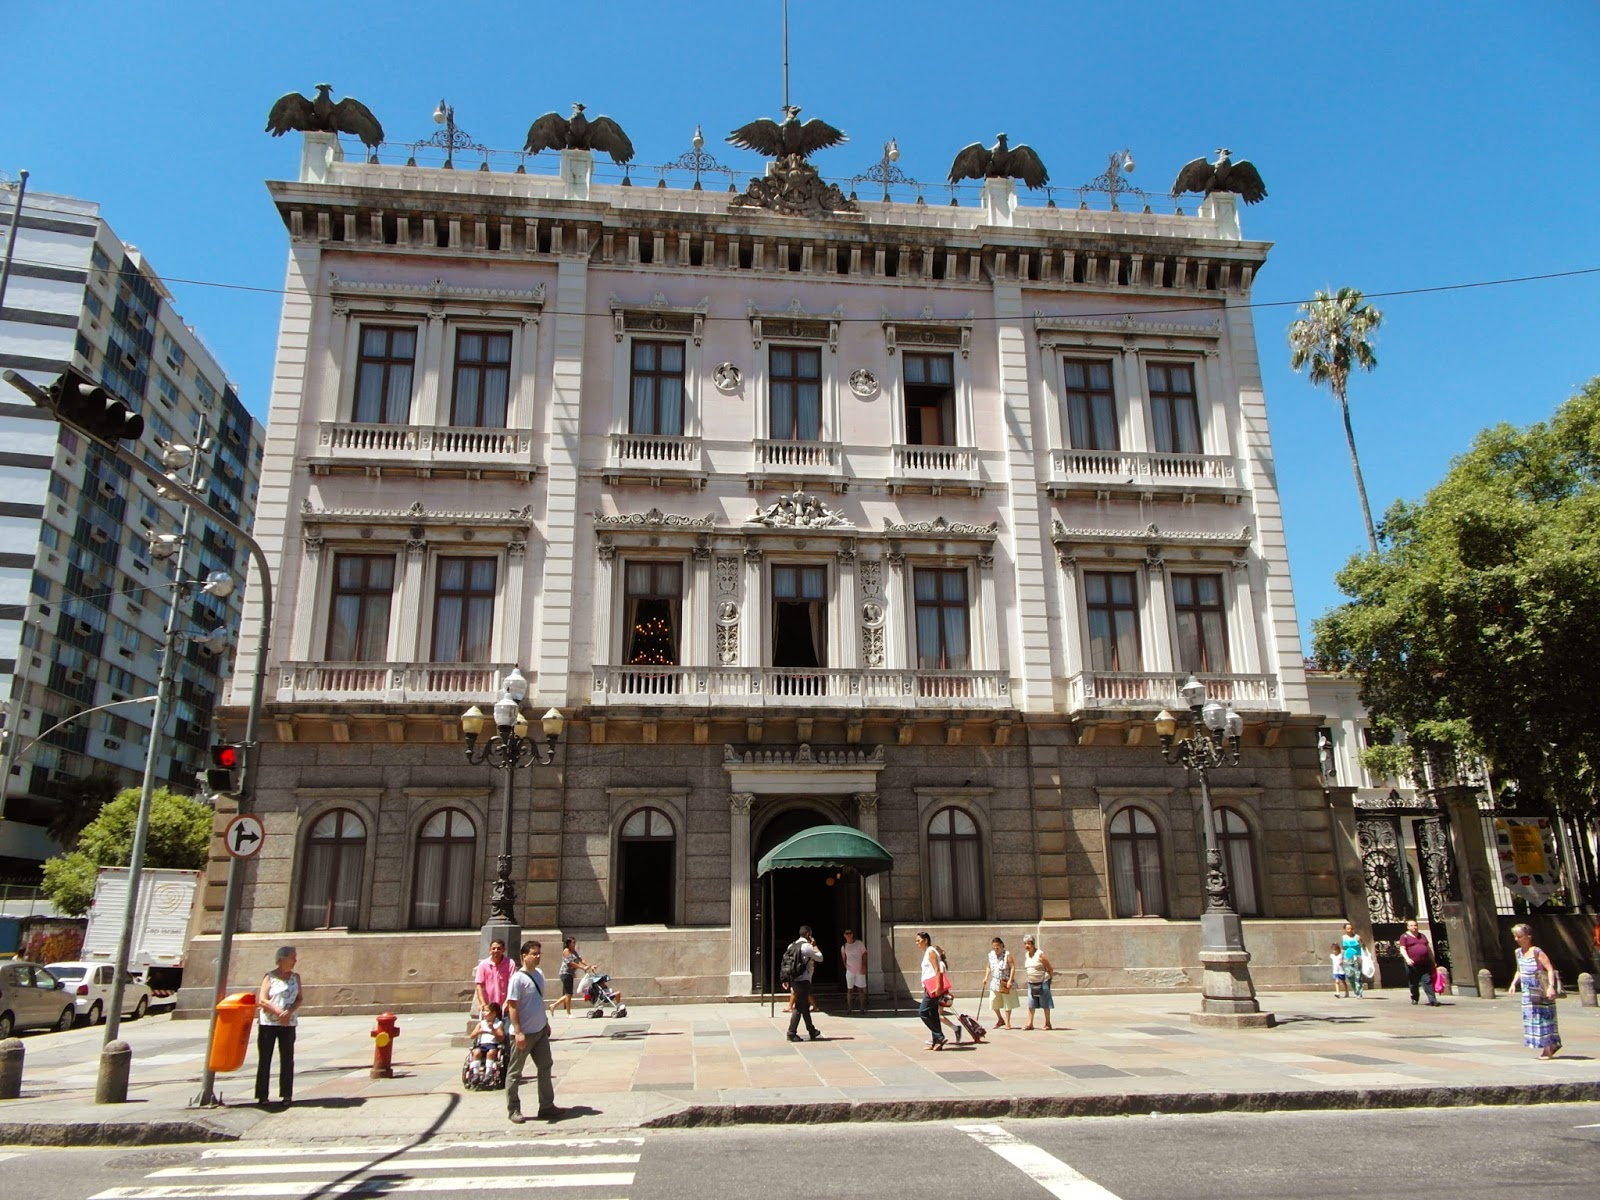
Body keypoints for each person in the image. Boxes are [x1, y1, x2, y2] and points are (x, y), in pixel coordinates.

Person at [505, 940, 561, 1122]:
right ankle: (514, 1109)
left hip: (539, 1031)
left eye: (539, 954)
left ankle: (546, 1106)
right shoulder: (517, 979)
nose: (537, 957)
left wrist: (545, 1022)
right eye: (534, 954)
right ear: (524, 956)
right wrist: (518, 1032)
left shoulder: (539, 974)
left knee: (545, 1066)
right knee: (515, 1073)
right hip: (523, 1033)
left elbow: (539, 1000)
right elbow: (512, 1007)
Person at [254, 945, 301, 1107]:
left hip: (288, 1022)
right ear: (282, 959)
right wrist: (278, 1011)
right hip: (269, 1022)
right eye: (292, 957)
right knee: (265, 1058)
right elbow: (262, 999)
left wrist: (289, 1011)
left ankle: (286, 1094)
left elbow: (299, 998)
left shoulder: (296, 977)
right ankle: (262, 1095)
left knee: (287, 1058)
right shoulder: (270, 977)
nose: (295, 960)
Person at [1509, 923, 1562, 1060]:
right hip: (1528, 992)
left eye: (1519, 936)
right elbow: (1519, 970)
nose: (1516, 939)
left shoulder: (1537, 951)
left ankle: (1547, 1050)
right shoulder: (1518, 952)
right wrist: (1514, 984)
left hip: (1540, 990)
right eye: (1515, 936)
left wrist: (1551, 986)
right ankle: (1549, 1046)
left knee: (1543, 1019)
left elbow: (1549, 968)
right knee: (1532, 1019)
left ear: (1528, 936)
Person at [785, 925, 823, 1043]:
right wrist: (815, 945)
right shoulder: (807, 947)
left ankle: (812, 1030)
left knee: (804, 1006)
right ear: (808, 934)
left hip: (794, 979)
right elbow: (820, 958)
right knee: (799, 1007)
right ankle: (791, 1033)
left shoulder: (791, 946)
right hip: (804, 980)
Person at [915, 932, 947, 1049]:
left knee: (922, 1011)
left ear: (926, 940)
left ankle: (939, 1036)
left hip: (933, 987)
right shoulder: (927, 952)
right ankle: (936, 1041)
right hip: (929, 986)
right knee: (932, 1013)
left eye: (919, 940)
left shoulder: (931, 951)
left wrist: (938, 987)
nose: (917, 943)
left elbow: (937, 969)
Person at [1396, 920, 1440, 1006]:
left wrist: (1432, 960)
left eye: (1415, 925)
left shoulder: (1422, 936)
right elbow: (1402, 948)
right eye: (1412, 925)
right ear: (1408, 927)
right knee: (1413, 982)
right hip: (1412, 964)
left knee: (1427, 981)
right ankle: (1414, 997)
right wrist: (1407, 959)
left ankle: (1433, 1000)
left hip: (1424, 963)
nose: (1414, 927)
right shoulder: (1404, 936)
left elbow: (1428, 949)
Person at [982, 937, 1018, 1029]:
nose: (996, 950)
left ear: (1002, 946)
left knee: (1007, 1002)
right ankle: (1000, 1019)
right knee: (993, 1001)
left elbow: (1013, 967)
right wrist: (986, 977)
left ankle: (1008, 1022)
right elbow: (989, 967)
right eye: (994, 948)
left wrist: (1010, 980)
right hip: (995, 981)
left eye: (997, 948)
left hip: (1005, 981)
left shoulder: (1007, 954)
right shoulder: (991, 955)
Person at [1020, 935, 1055, 1030]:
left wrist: (1049, 979)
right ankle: (1030, 1023)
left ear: (1033, 944)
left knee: (1045, 1003)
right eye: (1025, 944)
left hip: (1042, 981)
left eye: (1028, 943)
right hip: (1031, 982)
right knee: (1031, 1003)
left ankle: (1048, 1023)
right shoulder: (1027, 954)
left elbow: (1050, 968)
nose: (1027, 945)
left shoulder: (1040, 954)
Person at [473, 939, 512, 1015]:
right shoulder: (483, 965)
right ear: (490, 950)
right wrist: (482, 1003)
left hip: (504, 1006)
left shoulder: (510, 964)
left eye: (499, 948)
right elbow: (479, 985)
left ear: (503, 950)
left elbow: (513, 984)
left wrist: (508, 1001)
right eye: (493, 948)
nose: (496, 950)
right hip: (489, 1006)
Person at [554, 937, 591, 1016]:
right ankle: (568, 1013)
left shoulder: (574, 951)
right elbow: (570, 963)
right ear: (569, 943)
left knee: (569, 994)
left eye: (575, 942)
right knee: (569, 994)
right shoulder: (566, 951)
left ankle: (553, 1006)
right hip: (565, 973)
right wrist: (582, 968)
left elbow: (580, 959)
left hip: (570, 974)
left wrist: (589, 966)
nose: (574, 944)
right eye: (573, 942)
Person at [469, 1001, 506, 1079]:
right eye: (484, 1011)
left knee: (491, 1053)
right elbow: (471, 1036)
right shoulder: (481, 1024)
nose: (484, 1013)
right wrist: (479, 1031)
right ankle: (476, 1074)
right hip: (481, 1044)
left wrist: (492, 1029)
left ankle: (488, 1073)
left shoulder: (498, 1024)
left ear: (493, 1014)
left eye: (486, 1011)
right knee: (476, 1053)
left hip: (493, 1044)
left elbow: (501, 1036)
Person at [841, 929, 868, 1013]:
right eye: (846, 933)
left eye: (850, 933)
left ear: (852, 934)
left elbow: (864, 954)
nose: (848, 935)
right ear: (844, 935)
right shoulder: (844, 946)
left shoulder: (859, 943)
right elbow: (844, 958)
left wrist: (863, 966)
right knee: (850, 990)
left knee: (861, 990)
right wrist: (847, 967)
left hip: (860, 969)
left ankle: (862, 1009)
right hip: (850, 970)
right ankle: (850, 1008)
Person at [1339, 921, 1367, 998]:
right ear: (1345, 929)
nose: (1350, 930)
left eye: (1351, 928)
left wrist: (1364, 953)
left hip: (1357, 957)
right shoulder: (1343, 938)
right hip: (1347, 958)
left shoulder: (1357, 937)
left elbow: (1363, 946)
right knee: (1350, 975)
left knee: (1358, 975)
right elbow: (1342, 949)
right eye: (1348, 929)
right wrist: (1341, 958)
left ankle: (1359, 992)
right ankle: (1355, 989)